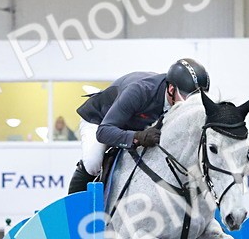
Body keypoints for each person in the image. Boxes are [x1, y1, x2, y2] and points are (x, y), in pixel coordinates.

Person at [67, 58, 210, 194]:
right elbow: (104, 132)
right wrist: (136, 137)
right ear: (171, 89)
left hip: (132, 125)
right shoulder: (140, 91)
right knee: (93, 163)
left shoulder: (178, 101)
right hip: (100, 120)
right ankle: (73, 211)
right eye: (188, 98)